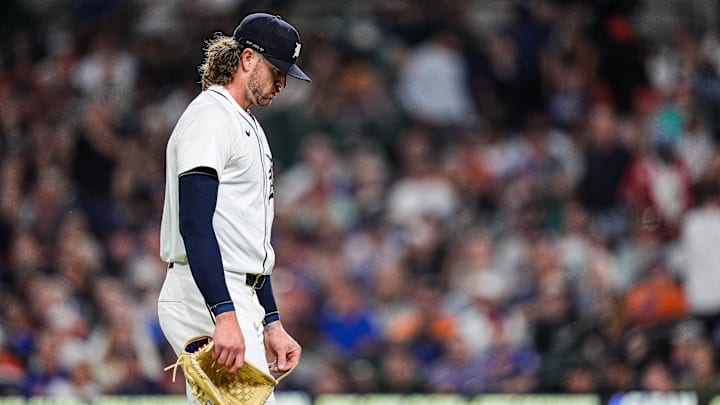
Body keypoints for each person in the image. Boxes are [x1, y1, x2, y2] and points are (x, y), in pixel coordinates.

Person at [156, 12, 310, 404]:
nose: (282, 82)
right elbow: (194, 223)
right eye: (277, 70)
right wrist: (223, 314)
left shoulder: (245, 123)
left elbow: (248, 242)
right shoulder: (211, 117)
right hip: (206, 292)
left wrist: (271, 321)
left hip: (236, 292)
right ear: (247, 59)